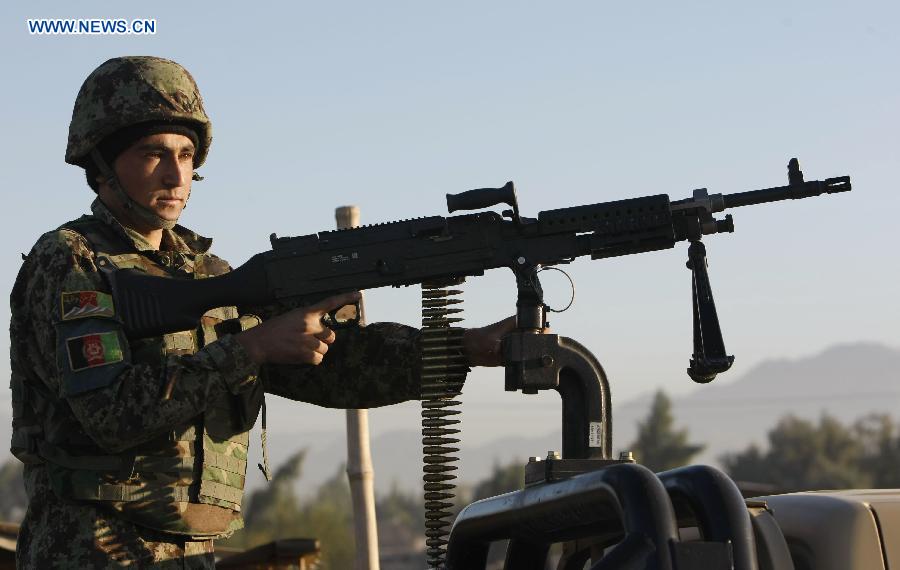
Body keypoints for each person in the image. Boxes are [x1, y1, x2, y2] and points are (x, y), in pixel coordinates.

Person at [9, 56, 513, 568]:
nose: (176, 173)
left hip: (189, 553)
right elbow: (111, 413)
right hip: (86, 550)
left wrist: (468, 347)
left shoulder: (208, 273)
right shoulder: (72, 260)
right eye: (152, 154)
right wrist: (251, 346)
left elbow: (335, 372)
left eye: (187, 155)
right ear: (103, 166)